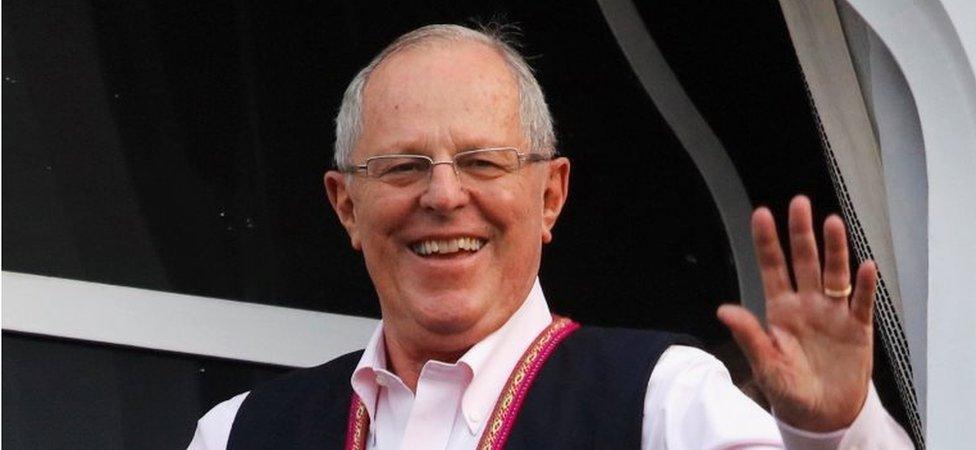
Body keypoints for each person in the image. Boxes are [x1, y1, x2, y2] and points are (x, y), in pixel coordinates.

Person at [187, 24, 913, 449]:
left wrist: (837, 435)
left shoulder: (660, 403)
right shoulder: (239, 436)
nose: (444, 196)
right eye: (404, 166)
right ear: (347, 205)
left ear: (550, 196)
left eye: (482, 162)